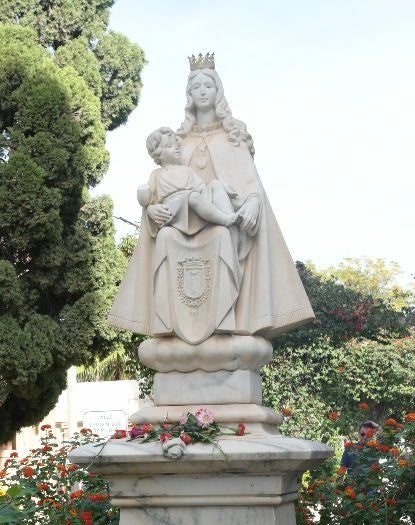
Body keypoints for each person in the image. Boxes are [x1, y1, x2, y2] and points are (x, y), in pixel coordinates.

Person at [110, 56, 314, 345]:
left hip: (222, 226)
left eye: (209, 85)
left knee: (221, 221)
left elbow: (249, 182)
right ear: (189, 95)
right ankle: (168, 318)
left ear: (218, 92)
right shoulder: (179, 142)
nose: (203, 91)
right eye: (197, 86)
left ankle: (228, 316)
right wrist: (151, 208)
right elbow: (158, 190)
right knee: (167, 236)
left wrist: (253, 200)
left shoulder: (232, 137)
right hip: (181, 228)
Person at [141, 126, 240, 233]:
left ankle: (229, 216)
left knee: (215, 184)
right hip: (173, 209)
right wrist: (149, 206)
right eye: (170, 146)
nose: (176, 148)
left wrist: (220, 187)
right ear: (158, 154)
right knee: (192, 196)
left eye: (176, 145)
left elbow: (202, 189)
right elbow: (147, 200)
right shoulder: (157, 174)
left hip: (193, 205)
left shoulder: (187, 170)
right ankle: (223, 219)